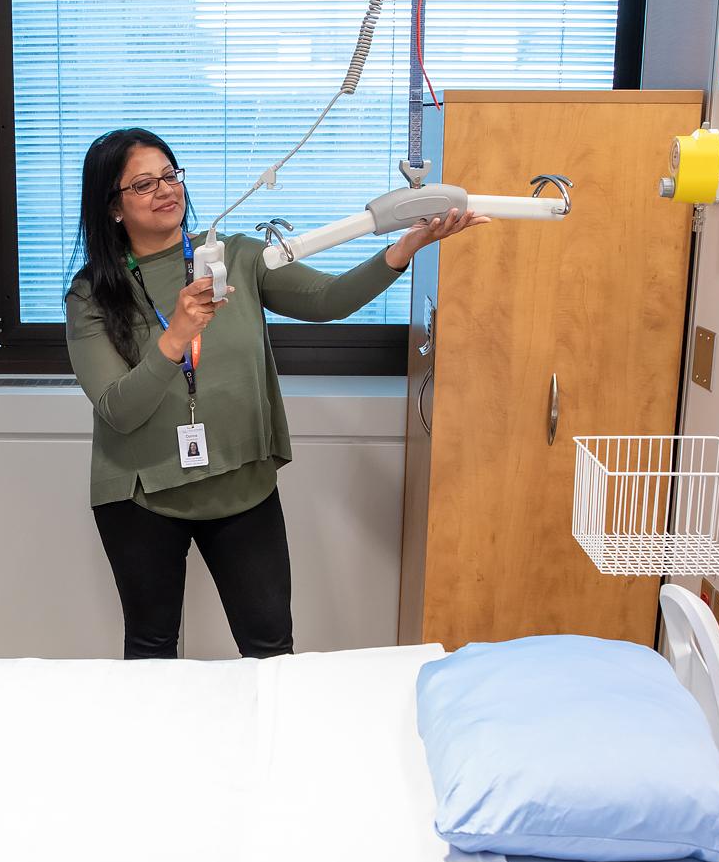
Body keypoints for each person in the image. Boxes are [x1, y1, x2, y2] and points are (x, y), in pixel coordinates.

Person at [65, 128, 481, 659]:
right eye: (144, 184)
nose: (166, 190)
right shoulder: (91, 294)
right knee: (151, 651)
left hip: (243, 485)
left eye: (171, 174)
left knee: (269, 649)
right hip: (143, 495)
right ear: (112, 208)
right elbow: (118, 411)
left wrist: (403, 250)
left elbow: (328, 300)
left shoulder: (235, 256)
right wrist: (176, 337)